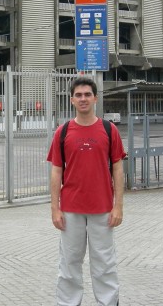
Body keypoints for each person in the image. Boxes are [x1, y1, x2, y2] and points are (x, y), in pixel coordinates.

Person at [47, 76, 126, 306]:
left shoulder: (109, 130)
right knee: (69, 264)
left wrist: (118, 205)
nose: (83, 99)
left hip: (103, 209)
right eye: (78, 95)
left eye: (87, 94)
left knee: (104, 263)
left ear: (95, 98)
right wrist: (55, 209)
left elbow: (118, 168)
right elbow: (56, 172)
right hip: (71, 210)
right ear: (71, 100)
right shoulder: (62, 133)